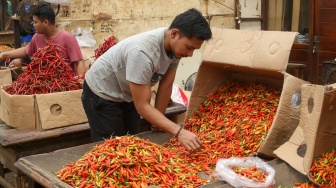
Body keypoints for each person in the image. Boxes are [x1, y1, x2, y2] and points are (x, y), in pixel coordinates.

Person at [82, 8, 212, 151]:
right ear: (174, 33)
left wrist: (159, 121)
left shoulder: (174, 47)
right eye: (189, 48)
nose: (190, 54)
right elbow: (142, 106)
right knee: (111, 150)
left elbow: (166, 85)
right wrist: (179, 131)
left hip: (128, 93)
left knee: (133, 144)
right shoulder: (142, 53)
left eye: (194, 50)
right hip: (102, 93)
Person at [0, 4, 85, 76]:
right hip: (44, 80)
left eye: (35, 22)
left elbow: (79, 62)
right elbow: (26, 50)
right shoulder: (37, 37)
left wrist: (80, 82)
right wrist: (4, 54)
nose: (33, 25)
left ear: (45, 23)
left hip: (64, 82)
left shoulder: (67, 37)